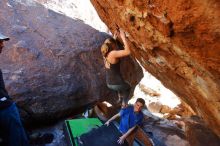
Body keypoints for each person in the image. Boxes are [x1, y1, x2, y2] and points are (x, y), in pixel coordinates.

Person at [0, 32, 29, 146]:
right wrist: (6, 102)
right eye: (0, 42)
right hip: (4, 108)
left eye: (2, 42)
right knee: (16, 139)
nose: (3, 45)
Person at [101, 28, 131, 107]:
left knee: (121, 87)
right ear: (112, 46)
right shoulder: (113, 54)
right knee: (128, 87)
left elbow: (108, 44)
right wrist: (123, 37)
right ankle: (124, 104)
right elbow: (128, 51)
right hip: (116, 83)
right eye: (114, 44)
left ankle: (119, 99)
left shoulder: (105, 54)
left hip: (109, 83)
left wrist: (114, 38)